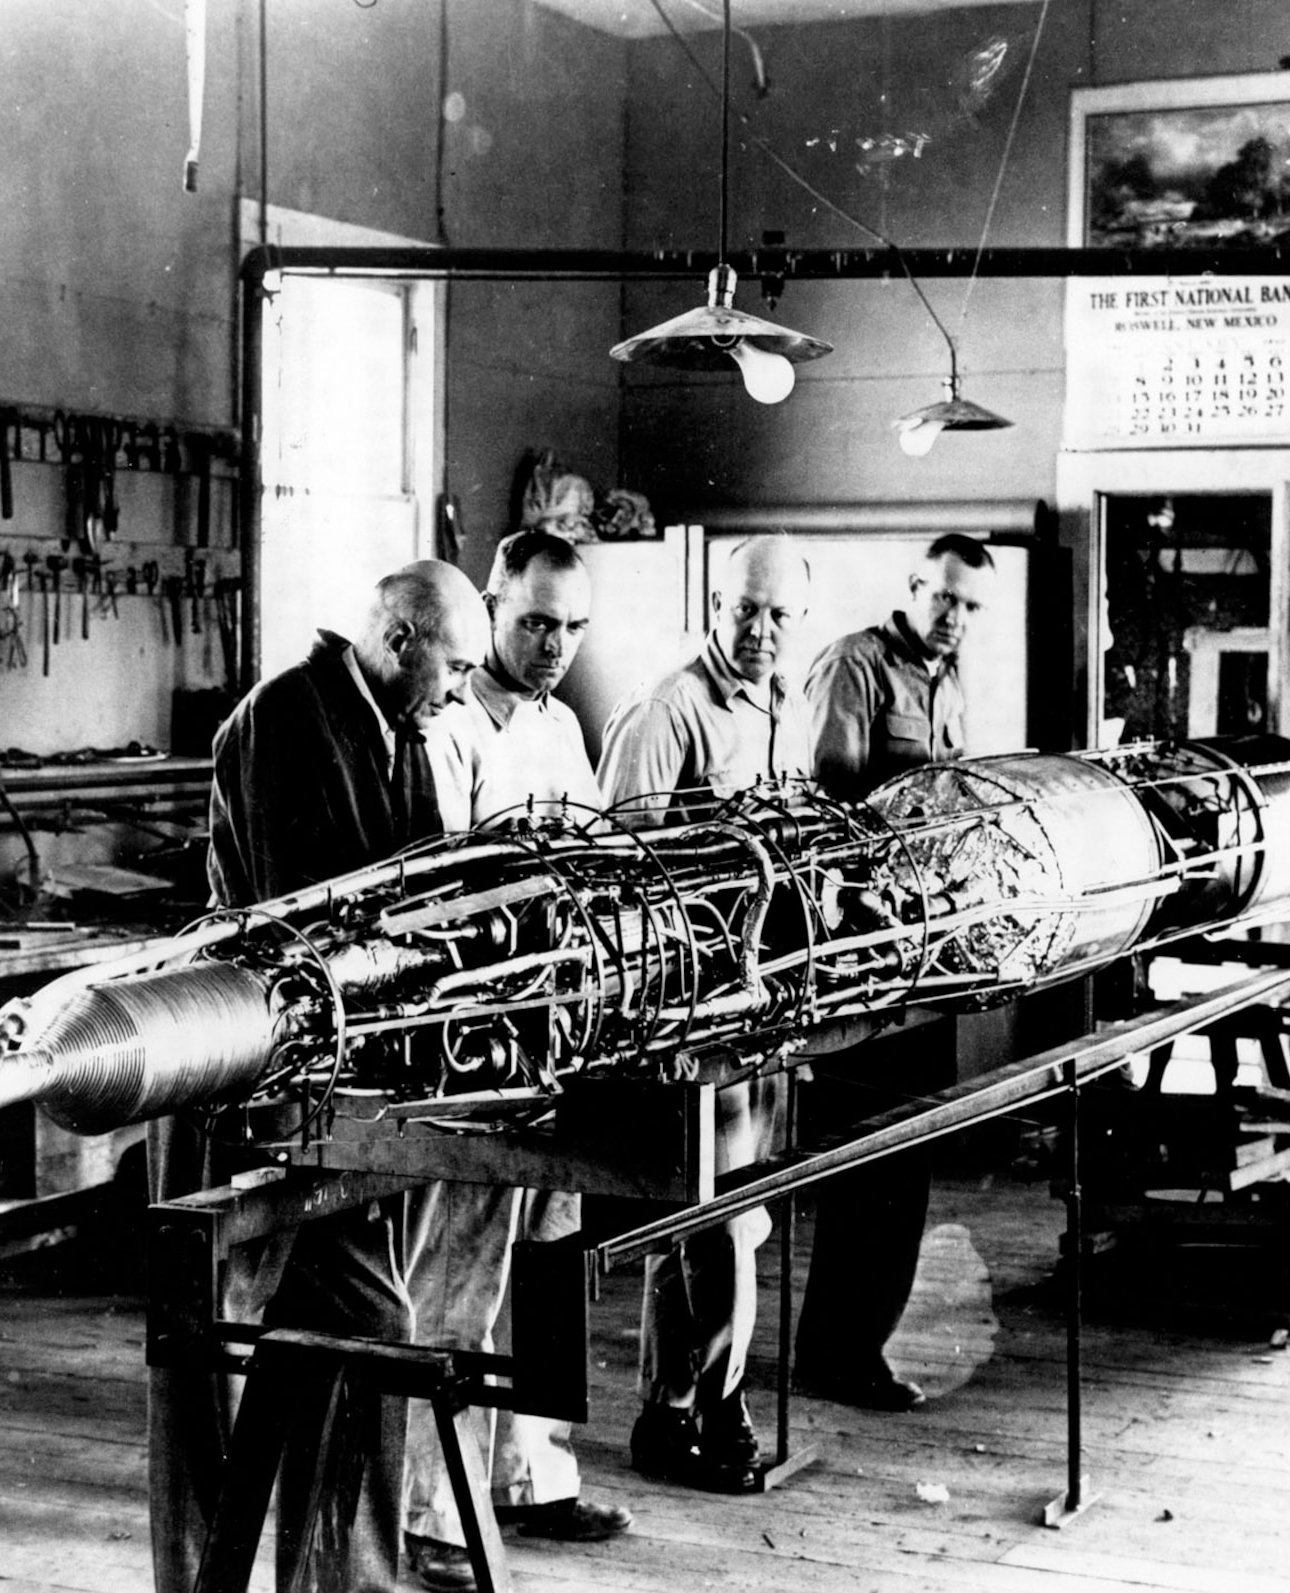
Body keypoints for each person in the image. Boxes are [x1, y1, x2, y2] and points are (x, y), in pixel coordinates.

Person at [148, 559, 487, 1593]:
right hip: (245, 1082)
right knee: (247, 1360)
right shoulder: (287, 721)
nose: (461, 690)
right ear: (398, 643)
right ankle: (262, 1583)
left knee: (338, 1343)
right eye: (455, 667)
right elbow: (328, 923)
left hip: (332, 1090)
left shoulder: (397, 729)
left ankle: (325, 1581)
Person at [402, 529, 631, 1592]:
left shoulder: (560, 723)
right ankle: (430, 1511)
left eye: (572, 627)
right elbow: (441, 898)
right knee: (463, 1269)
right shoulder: (452, 729)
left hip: (559, 1031)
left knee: (546, 1257)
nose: (554, 645)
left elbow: (590, 858)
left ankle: (532, 1478)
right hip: (478, 1041)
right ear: (492, 606)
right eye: (536, 621)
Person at [595, 534, 812, 1493]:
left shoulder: (784, 707)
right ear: (712, 606)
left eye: (778, 616)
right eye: (743, 611)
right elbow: (618, 874)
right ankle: (708, 1408)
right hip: (693, 1012)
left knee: (734, 1214)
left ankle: (677, 1405)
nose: (759, 632)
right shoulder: (668, 711)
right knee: (708, 1221)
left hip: (765, 1002)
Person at [795, 532, 997, 1412]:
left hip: (929, 951)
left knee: (907, 1157)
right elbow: (827, 809)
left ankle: (859, 1347)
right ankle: (833, 1354)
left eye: (970, 606)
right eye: (944, 598)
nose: (955, 618)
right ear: (913, 587)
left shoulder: (947, 679)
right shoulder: (856, 666)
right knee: (862, 1162)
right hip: (863, 958)